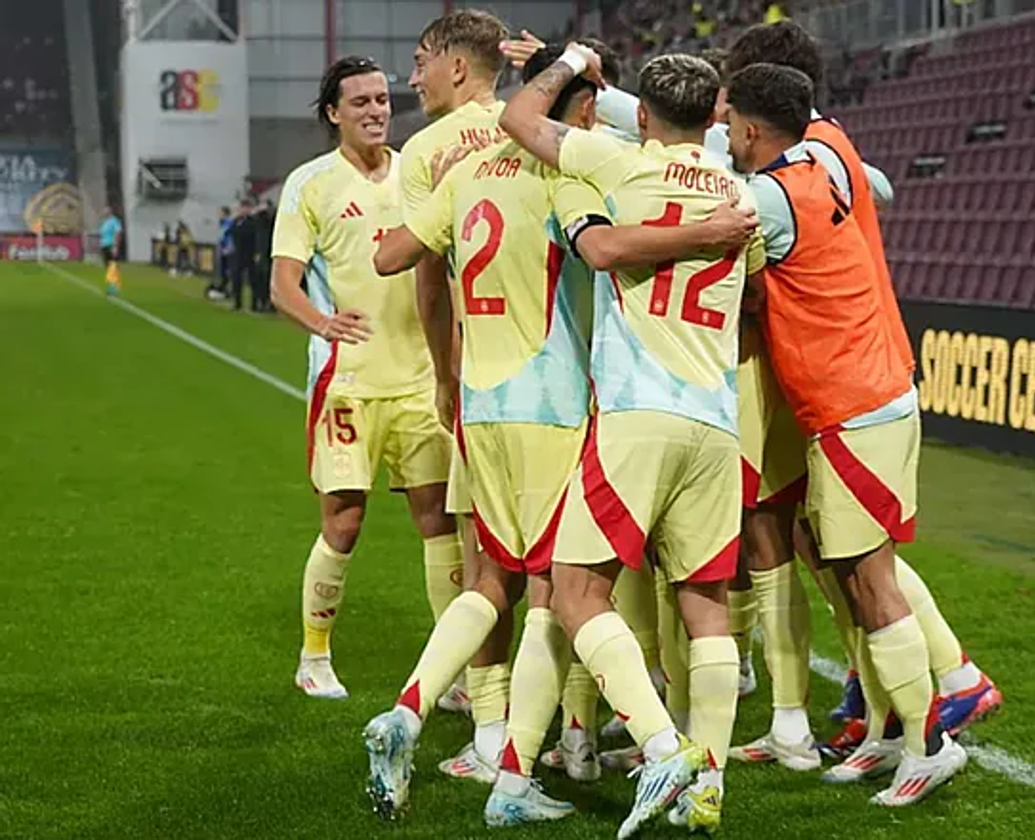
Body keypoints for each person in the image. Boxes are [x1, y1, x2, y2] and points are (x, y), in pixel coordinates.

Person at [361, 43, 757, 826]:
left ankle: (411, 715)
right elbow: (605, 245)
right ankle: (542, 773)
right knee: (556, 591)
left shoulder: (467, 169)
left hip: (480, 403)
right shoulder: (583, 176)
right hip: (564, 404)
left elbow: (393, 255)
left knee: (494, 582)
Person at [502, 47, 767, 836]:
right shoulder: (740, 195)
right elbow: (748, 297)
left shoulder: (618, 162)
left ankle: (660, 748)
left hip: (635, 413)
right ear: (717, 112)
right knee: (706, 606)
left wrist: (572, 61)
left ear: (642, 115)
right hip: (716, 421)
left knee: (577, 591)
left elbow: (521, 118)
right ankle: (708, 787)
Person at [723, 20, 1000, 755]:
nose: (722, 111)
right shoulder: (832, 148)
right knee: (831, 545)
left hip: (847, 377)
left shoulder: (784, 180)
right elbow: (875, 185)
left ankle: (949, 679)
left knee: (850, 553)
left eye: (731, 100)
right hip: (865, 362)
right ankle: (876, 696)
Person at [269, 56, 459, 702]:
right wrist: (322, 323)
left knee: (439, 522)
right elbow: (282, 285)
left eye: (382, 99)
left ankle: (451, 669)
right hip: (346, 382)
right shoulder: (310, 184)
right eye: (360, 103)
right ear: (333, 113)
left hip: (419, 379)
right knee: (344, 524)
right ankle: (313, 656)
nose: (377, 110)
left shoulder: (419, 171)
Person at [399, 9, 516, 743]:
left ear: (458, 66)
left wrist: (444, 373)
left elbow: (429, 277)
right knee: (575, 565)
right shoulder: (539, 126)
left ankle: (487, 717)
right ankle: (578, 723)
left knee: (487, 564)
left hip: (485, 378)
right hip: (574, 378)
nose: (411, 78)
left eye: (420, 61)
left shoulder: (428, 151)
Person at [231, 199, 257, 311]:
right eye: (242, 208)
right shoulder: (236, 221)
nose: (243, 210)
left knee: (253, 280)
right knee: (236, 279)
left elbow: (254, 235)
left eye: (246, 208)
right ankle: (237, 303)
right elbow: (232, 232)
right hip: (238, 253)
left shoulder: (253, 221)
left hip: (250, 254)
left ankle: (254, 305)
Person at [208, 206, 234, 300]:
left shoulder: (229, 223)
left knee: (226, 271)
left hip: (227, 250)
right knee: (222, 271)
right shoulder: (222, 223)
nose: (219, 215)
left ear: (225, 214)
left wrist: (228, 248)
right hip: (222, 249)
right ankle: (222, 289)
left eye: (220, 213)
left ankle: (227, 290)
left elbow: (230, 236)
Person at [98, 206, 123, 297]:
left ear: (110, 212)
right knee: (109, 268)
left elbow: (118, 232)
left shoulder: (114, 221)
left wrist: (115, 246)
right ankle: (111, 288)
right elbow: (103, 235)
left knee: (113, 267)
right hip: (105, 246)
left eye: (105, 211)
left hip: (111, 246)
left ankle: (114, 289)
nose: (103, 213)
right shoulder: (105, 222)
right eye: (103, 211)